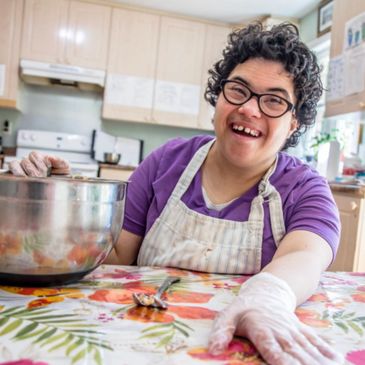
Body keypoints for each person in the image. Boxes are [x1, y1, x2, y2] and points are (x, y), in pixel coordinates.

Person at [9, 22, 343, 365]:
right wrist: (59, 200)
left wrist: (268, 298)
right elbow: (117, 254)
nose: (250, 109)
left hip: (237, 348)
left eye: (274, 100)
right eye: (238, 91)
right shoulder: (165, 163)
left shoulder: (305, 188)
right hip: (138, 340)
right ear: (218, 97)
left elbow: (305, 256)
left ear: (294, 123)